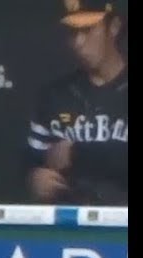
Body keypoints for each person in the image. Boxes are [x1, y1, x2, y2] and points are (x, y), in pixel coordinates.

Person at [25, 0, 127, 205]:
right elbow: (33, 162)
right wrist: (34, 178)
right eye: (73, 32)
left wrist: (77, 153)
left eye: (88, 30)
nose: (78, 42)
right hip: (70, 219)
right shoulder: (55, 95)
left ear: (114, 27)